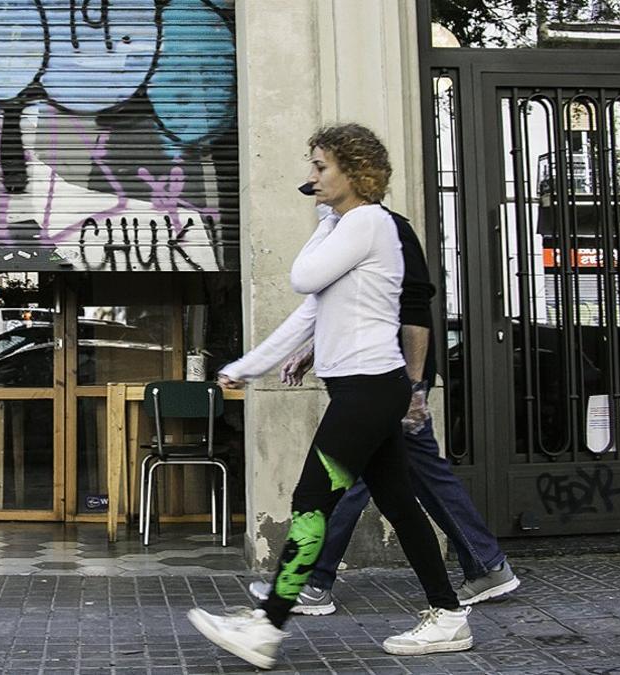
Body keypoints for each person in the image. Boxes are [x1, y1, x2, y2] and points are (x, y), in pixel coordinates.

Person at [186, 124, 473, 670]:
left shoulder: (364, 222)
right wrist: (247, 367)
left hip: (368, 391)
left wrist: (324, 221)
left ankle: (269, 624)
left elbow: (301, 276)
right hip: (368, 388)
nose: (311, 176)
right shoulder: (354, 227)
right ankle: (448, 613)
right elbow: (310, 314)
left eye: (321, 167)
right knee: (398, 504)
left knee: (310, 499)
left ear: (354, 171)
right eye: (312, 166)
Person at [245, 194, 519, 616]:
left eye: (322, 174)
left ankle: (312, 584)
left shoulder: (386, 229)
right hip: (377, 382)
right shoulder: (352, 233)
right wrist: (311, 351)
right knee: (410, 483)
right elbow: (346, 309)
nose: (317, 194)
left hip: (387, 382)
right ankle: (480, 572)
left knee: (344, 483)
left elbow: (412, 311)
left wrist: (413, 385)